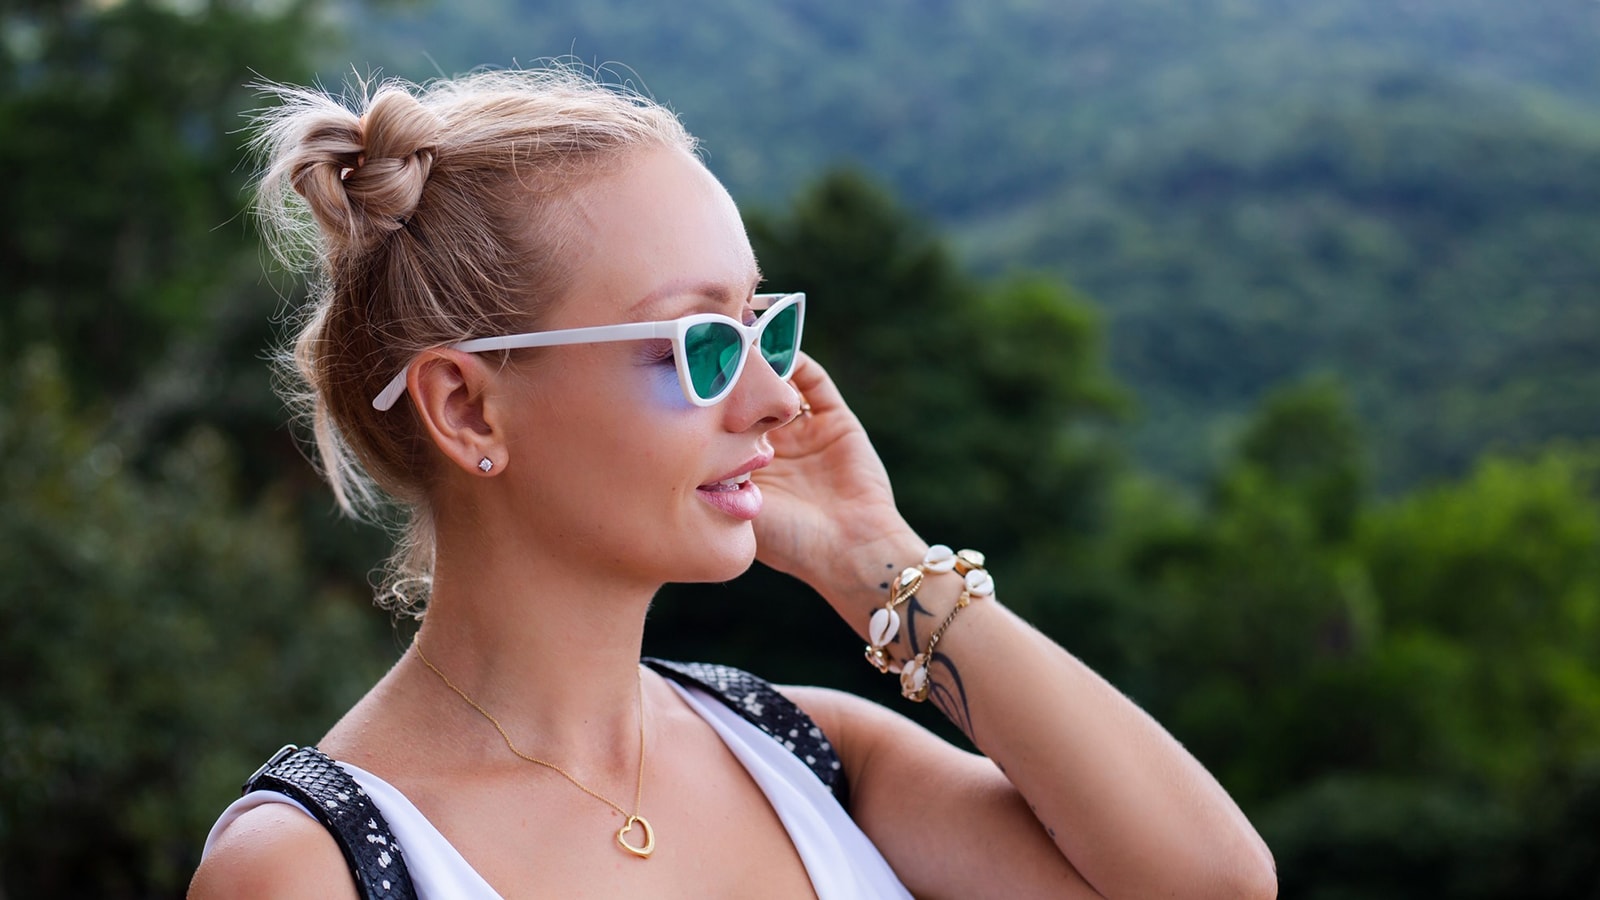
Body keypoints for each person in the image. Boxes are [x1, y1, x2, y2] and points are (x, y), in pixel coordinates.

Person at [189, 66, 1277, 899]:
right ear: (468, 406)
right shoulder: (313, 869)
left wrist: (879, 563)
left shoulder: (808, 753)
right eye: (697, 345)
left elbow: (1210, 884)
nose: (775, 397)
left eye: (762, 327)